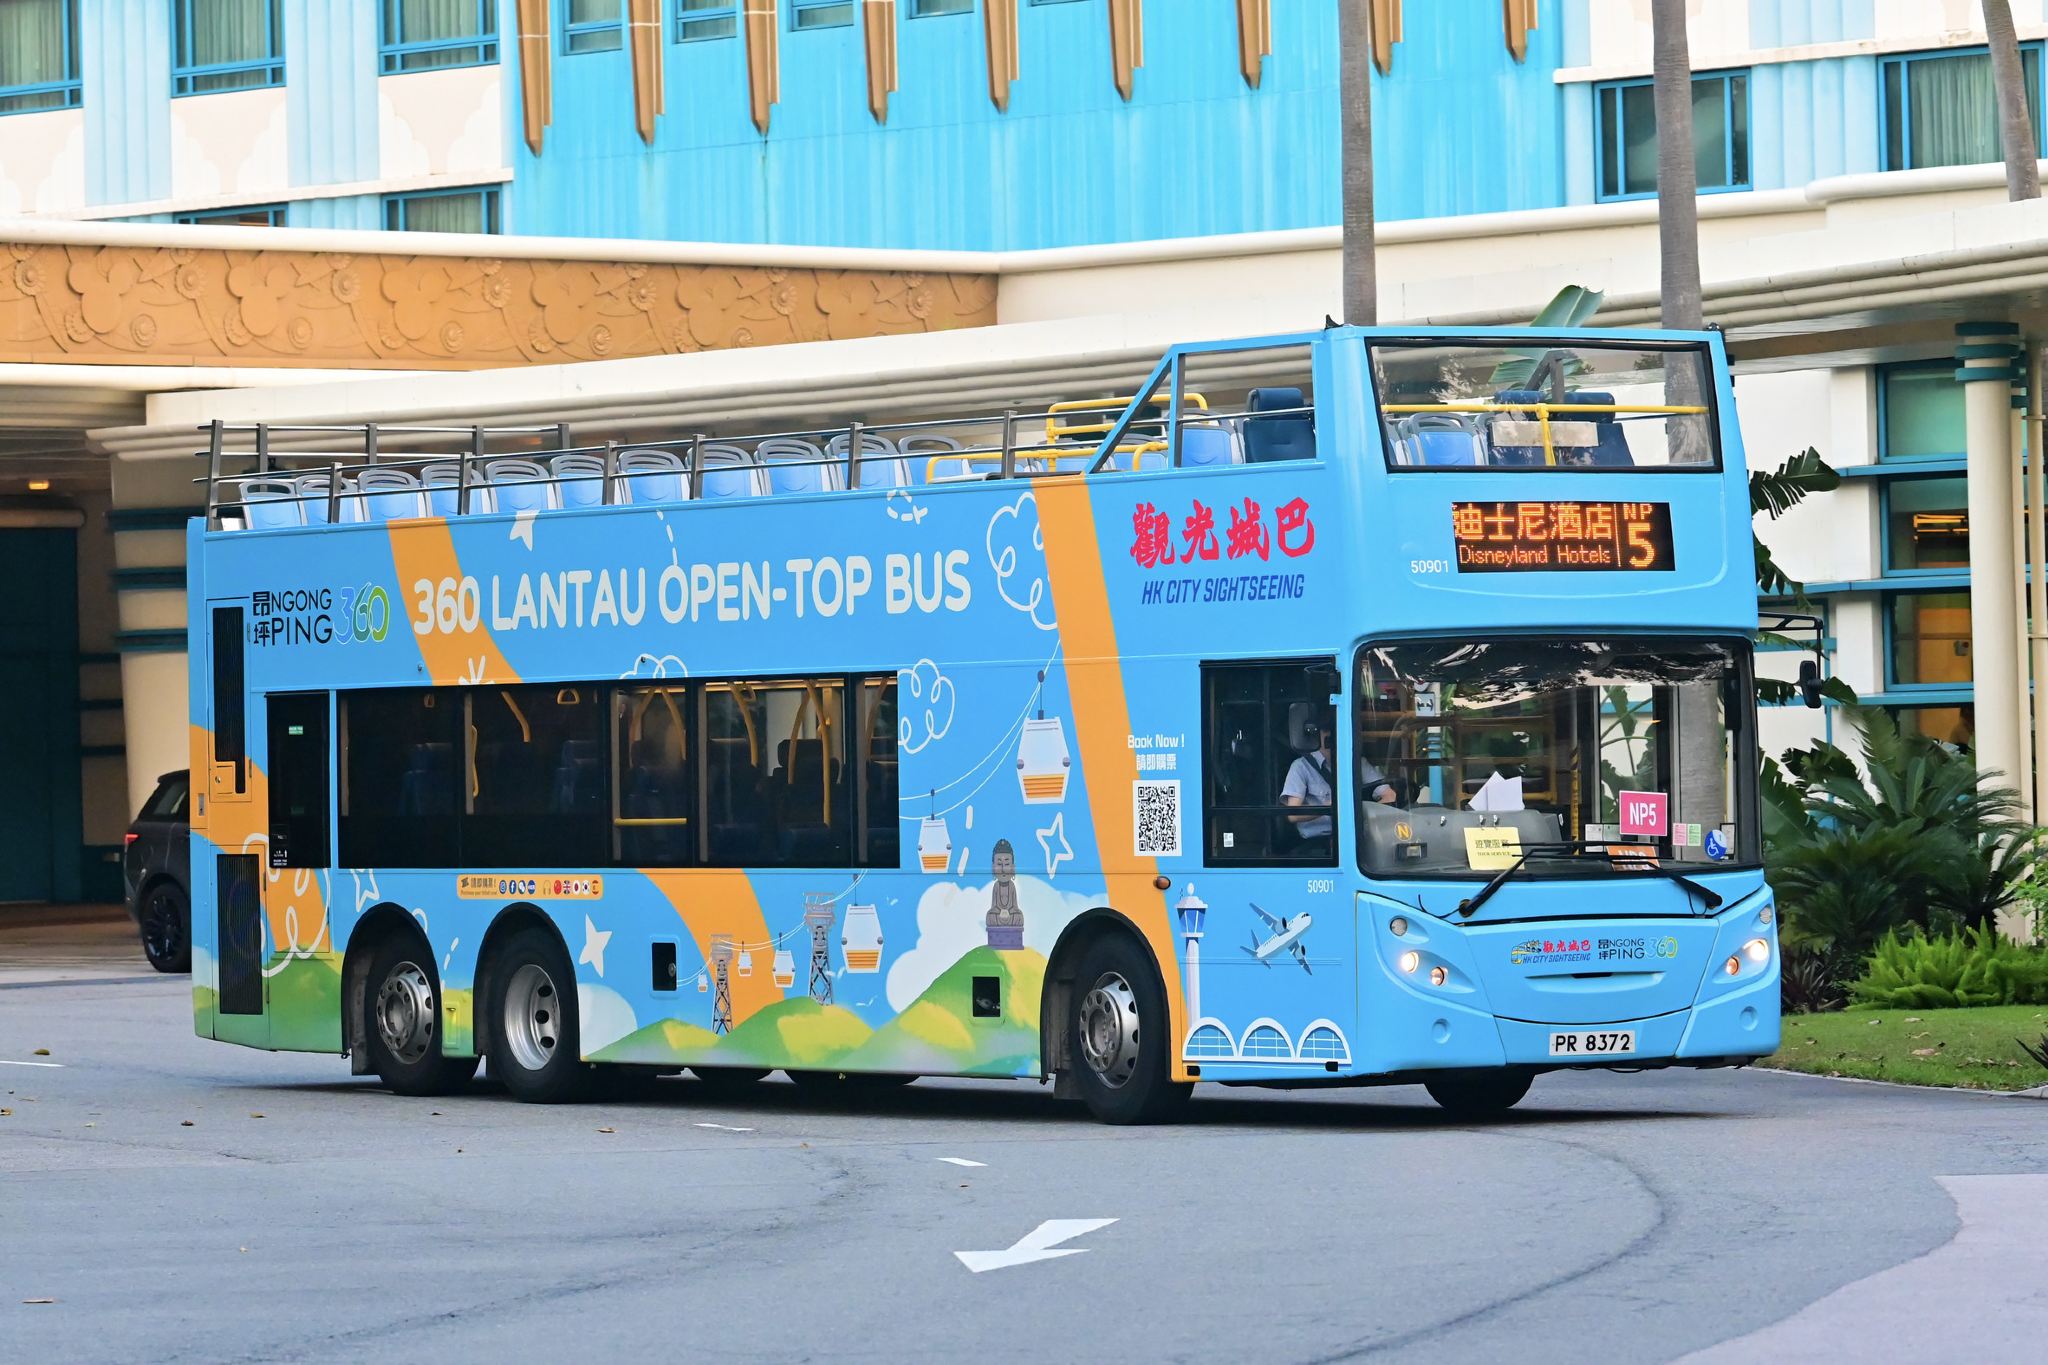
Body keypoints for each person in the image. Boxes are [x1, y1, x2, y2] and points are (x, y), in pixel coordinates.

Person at [1283, 720, 1394, 853]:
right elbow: (1293, 814)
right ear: (1318, 737)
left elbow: (1389, 795)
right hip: (1317, 844)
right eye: (1330, 738)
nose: (1335, 742)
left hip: (1357, 839)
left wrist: (1364, 815)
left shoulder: (1358, 763)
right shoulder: (1301, 767)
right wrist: (1330, 806)